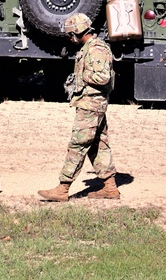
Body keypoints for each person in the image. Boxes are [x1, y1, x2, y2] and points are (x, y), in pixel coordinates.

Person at [38, 13, 120, 202]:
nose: (69, 38)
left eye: (70, 35)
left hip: (91, 105)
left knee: (78, 145)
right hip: (91, 103)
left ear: (77, 33)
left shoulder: (96, 49)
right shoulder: (89, 48)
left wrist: (81, 78)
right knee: (98, 144)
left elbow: (103, 77)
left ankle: (62, 188)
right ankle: (110, 187)